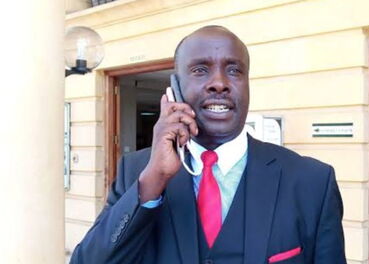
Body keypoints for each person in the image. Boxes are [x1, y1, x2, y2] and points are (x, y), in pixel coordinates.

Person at [70, 25, 346, 264]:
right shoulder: (138, 172)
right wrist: (154, 180)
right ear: (174, 89)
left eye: (234, 70)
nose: (219, 83)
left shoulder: (312, 181)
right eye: (200, 70)